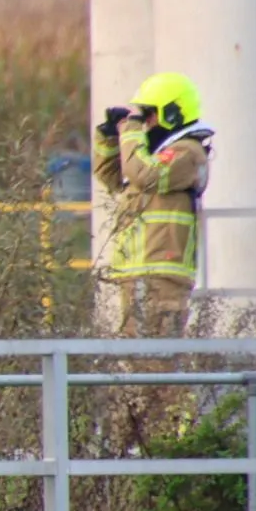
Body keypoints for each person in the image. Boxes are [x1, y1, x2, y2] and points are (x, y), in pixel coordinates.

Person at [93, 72, 214, 339]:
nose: (145, 122)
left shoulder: (187, 152)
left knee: (157, 362)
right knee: (136, 365)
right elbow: (113, 178)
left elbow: (144, 175)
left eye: (149, 114)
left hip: (163, 278)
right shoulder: (152, 156)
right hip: (138, 274)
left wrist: (131, 129)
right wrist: (109, 139)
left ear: (172, 114)